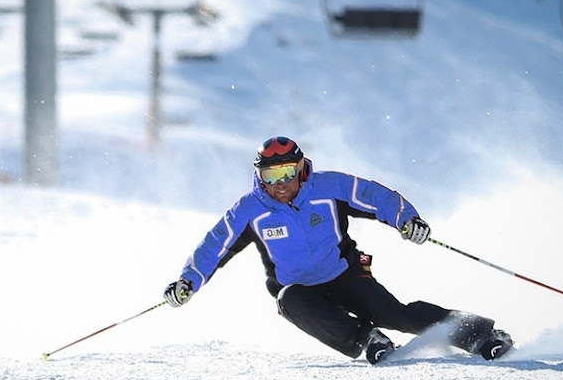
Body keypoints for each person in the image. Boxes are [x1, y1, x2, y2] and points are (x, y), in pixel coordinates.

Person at [164, 135, 513, 364]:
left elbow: (378, 198)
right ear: (259, 176)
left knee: (398, 315)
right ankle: (369, 340)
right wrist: (187, 282)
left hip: (345, 274)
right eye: (270, 176)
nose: (280, 185)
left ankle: (482, 336)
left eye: (287, 173)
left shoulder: (328, 187)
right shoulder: (249, 210)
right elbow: (214, 246)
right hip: (302, 292)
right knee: (287, 301)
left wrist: (407, 220)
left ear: (301, 168)